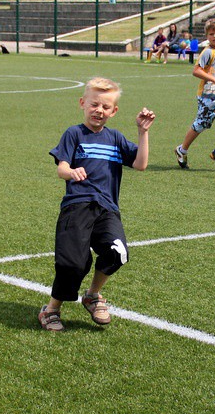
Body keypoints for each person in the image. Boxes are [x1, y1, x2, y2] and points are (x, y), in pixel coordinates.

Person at [39, 78, 155, 331]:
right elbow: (61, 168)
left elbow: (140, 164)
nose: (98, 111)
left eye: (105, 107)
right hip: (77, 206)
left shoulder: (115, 138)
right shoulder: (74, 134)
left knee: (118, 252)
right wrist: (72, 173)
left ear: (114, 111)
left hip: (107, 209)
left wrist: (143, 132)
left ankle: (92, 295)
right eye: (94, 104)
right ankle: (51, 309)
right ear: (83, 104)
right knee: (73, 264)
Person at [174, 18, 215, 171]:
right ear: (207, 36)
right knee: (200, 125)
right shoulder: (208, 52)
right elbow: (196, 71)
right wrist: (213, 80)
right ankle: (182, 150)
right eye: (211, 34)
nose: (214, 36)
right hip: (208, 97)